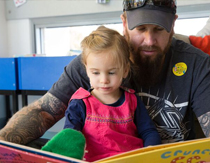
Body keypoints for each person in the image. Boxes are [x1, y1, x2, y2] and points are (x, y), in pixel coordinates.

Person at [0, 0, 210, 163]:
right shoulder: (98, 62)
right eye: (140, 29)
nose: (149, 40)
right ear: (124, 22)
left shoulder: (196, 63)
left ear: (173, 24)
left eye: (159, 30)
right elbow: (45, 110)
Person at [45, 26, 161, 162]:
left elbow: (148, 131)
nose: (104, 80)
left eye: (111, 72)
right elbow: (70, 137)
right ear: (87, 71)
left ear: (125, 70)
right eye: (95, 73)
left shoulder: (133, 100)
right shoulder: (80, 103)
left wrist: (151, 151)